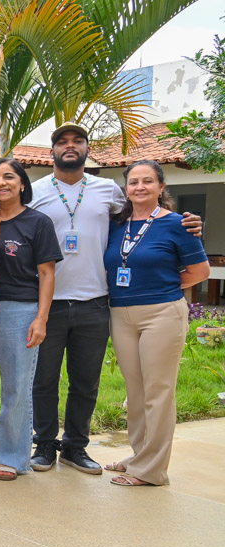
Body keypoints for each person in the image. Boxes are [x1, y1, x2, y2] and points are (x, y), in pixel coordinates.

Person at [28, 123, 200, 474]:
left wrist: (189, 223)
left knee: (86, 382)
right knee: (44, 380)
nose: (70, 146)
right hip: (48, 302)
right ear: (52, 151)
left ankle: (75, 447)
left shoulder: (108, 190)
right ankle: (44, 444)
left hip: (96, 301)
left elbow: (147, 216)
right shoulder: (35, 191)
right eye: (63, 142)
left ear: (87, 149)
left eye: (78, 140)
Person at [103, 160, 208, 486]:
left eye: (147, 181)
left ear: (161, 187)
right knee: (135, 391)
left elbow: (200, 271)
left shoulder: (177, 224)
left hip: (161, 313)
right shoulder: (116, 225)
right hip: (121, 314)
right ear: (126, 189)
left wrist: (162, 287)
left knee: (158, 392)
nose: (140, 187)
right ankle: (140, 455)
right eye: (133, 182)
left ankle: (151, 471)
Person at [0, 158, 62, 480]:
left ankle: (11, 457)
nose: (1, 183)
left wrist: (41, 318)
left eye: (8, 177)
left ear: (21, 184)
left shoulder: (38, 222)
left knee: (16, 386)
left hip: (21, 309)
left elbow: (47, 274)